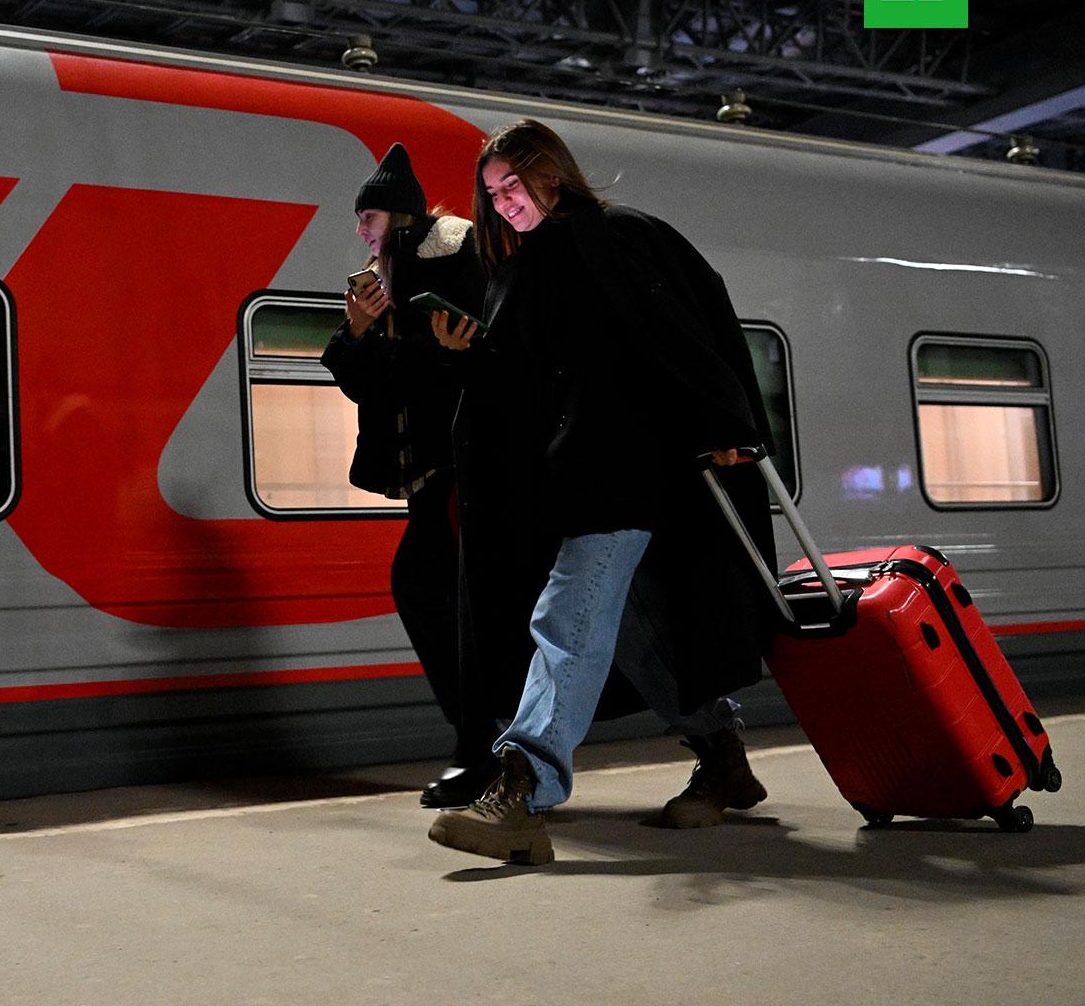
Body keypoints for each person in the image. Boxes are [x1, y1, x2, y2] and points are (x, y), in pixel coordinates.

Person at [425, 119, 779, 864]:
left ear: (552, 172)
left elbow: (681, 336)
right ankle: (723, 756)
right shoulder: (545, 259)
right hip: (599, 474)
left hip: (623, 471)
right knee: (640, 630)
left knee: (567, 620)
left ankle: (519, 790)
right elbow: (529, 379)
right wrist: (469, 358)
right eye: (492, 194)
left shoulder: (610, 239)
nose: (504, 203)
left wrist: (725, 423)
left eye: (514, 185)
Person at [320, 143, 493, 809]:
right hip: (434, 472)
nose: (360, 230)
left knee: (432, 592)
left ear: (401, 216)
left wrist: (394, 336)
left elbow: (451, 363)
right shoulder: (378, 283)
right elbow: (371, 385)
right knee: (446, 600)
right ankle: (483, 740)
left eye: (368, 216)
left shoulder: (452, 262)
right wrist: (360, 334)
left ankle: (480, 744)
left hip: (464, 465)